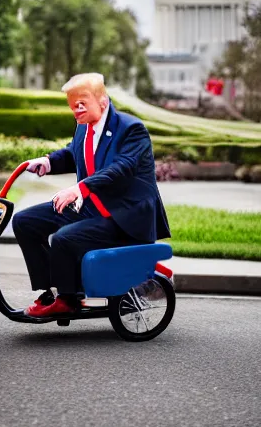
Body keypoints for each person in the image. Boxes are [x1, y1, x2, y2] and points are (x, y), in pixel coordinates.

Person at [12, 73, 170, 317]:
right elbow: (73, 153)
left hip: (122, 216)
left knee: (63, 239)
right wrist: (47, 162)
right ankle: (49, 291)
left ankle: (67, 300)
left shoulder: (131, 129)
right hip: (92, 207)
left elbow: (121, 168)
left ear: (102, 100)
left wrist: (79, 188)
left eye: (82, 101)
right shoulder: (84, 125)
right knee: (24, 222)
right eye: (72, 104)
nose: (76, 109)